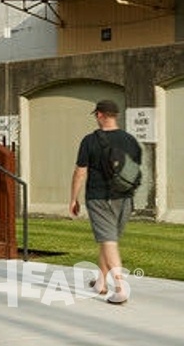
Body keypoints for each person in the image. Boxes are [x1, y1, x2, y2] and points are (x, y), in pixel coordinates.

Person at [69, 98, 141, 304]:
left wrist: (73, 198)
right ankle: (101, 282)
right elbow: (134, 170)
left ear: (99, 115)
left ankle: (120, 288)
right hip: (125, 198)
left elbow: (80, 172)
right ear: (116, 115)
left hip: (99, 198)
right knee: (108, 240)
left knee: (108, 241)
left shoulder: (89, 141)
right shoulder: (130, 140)